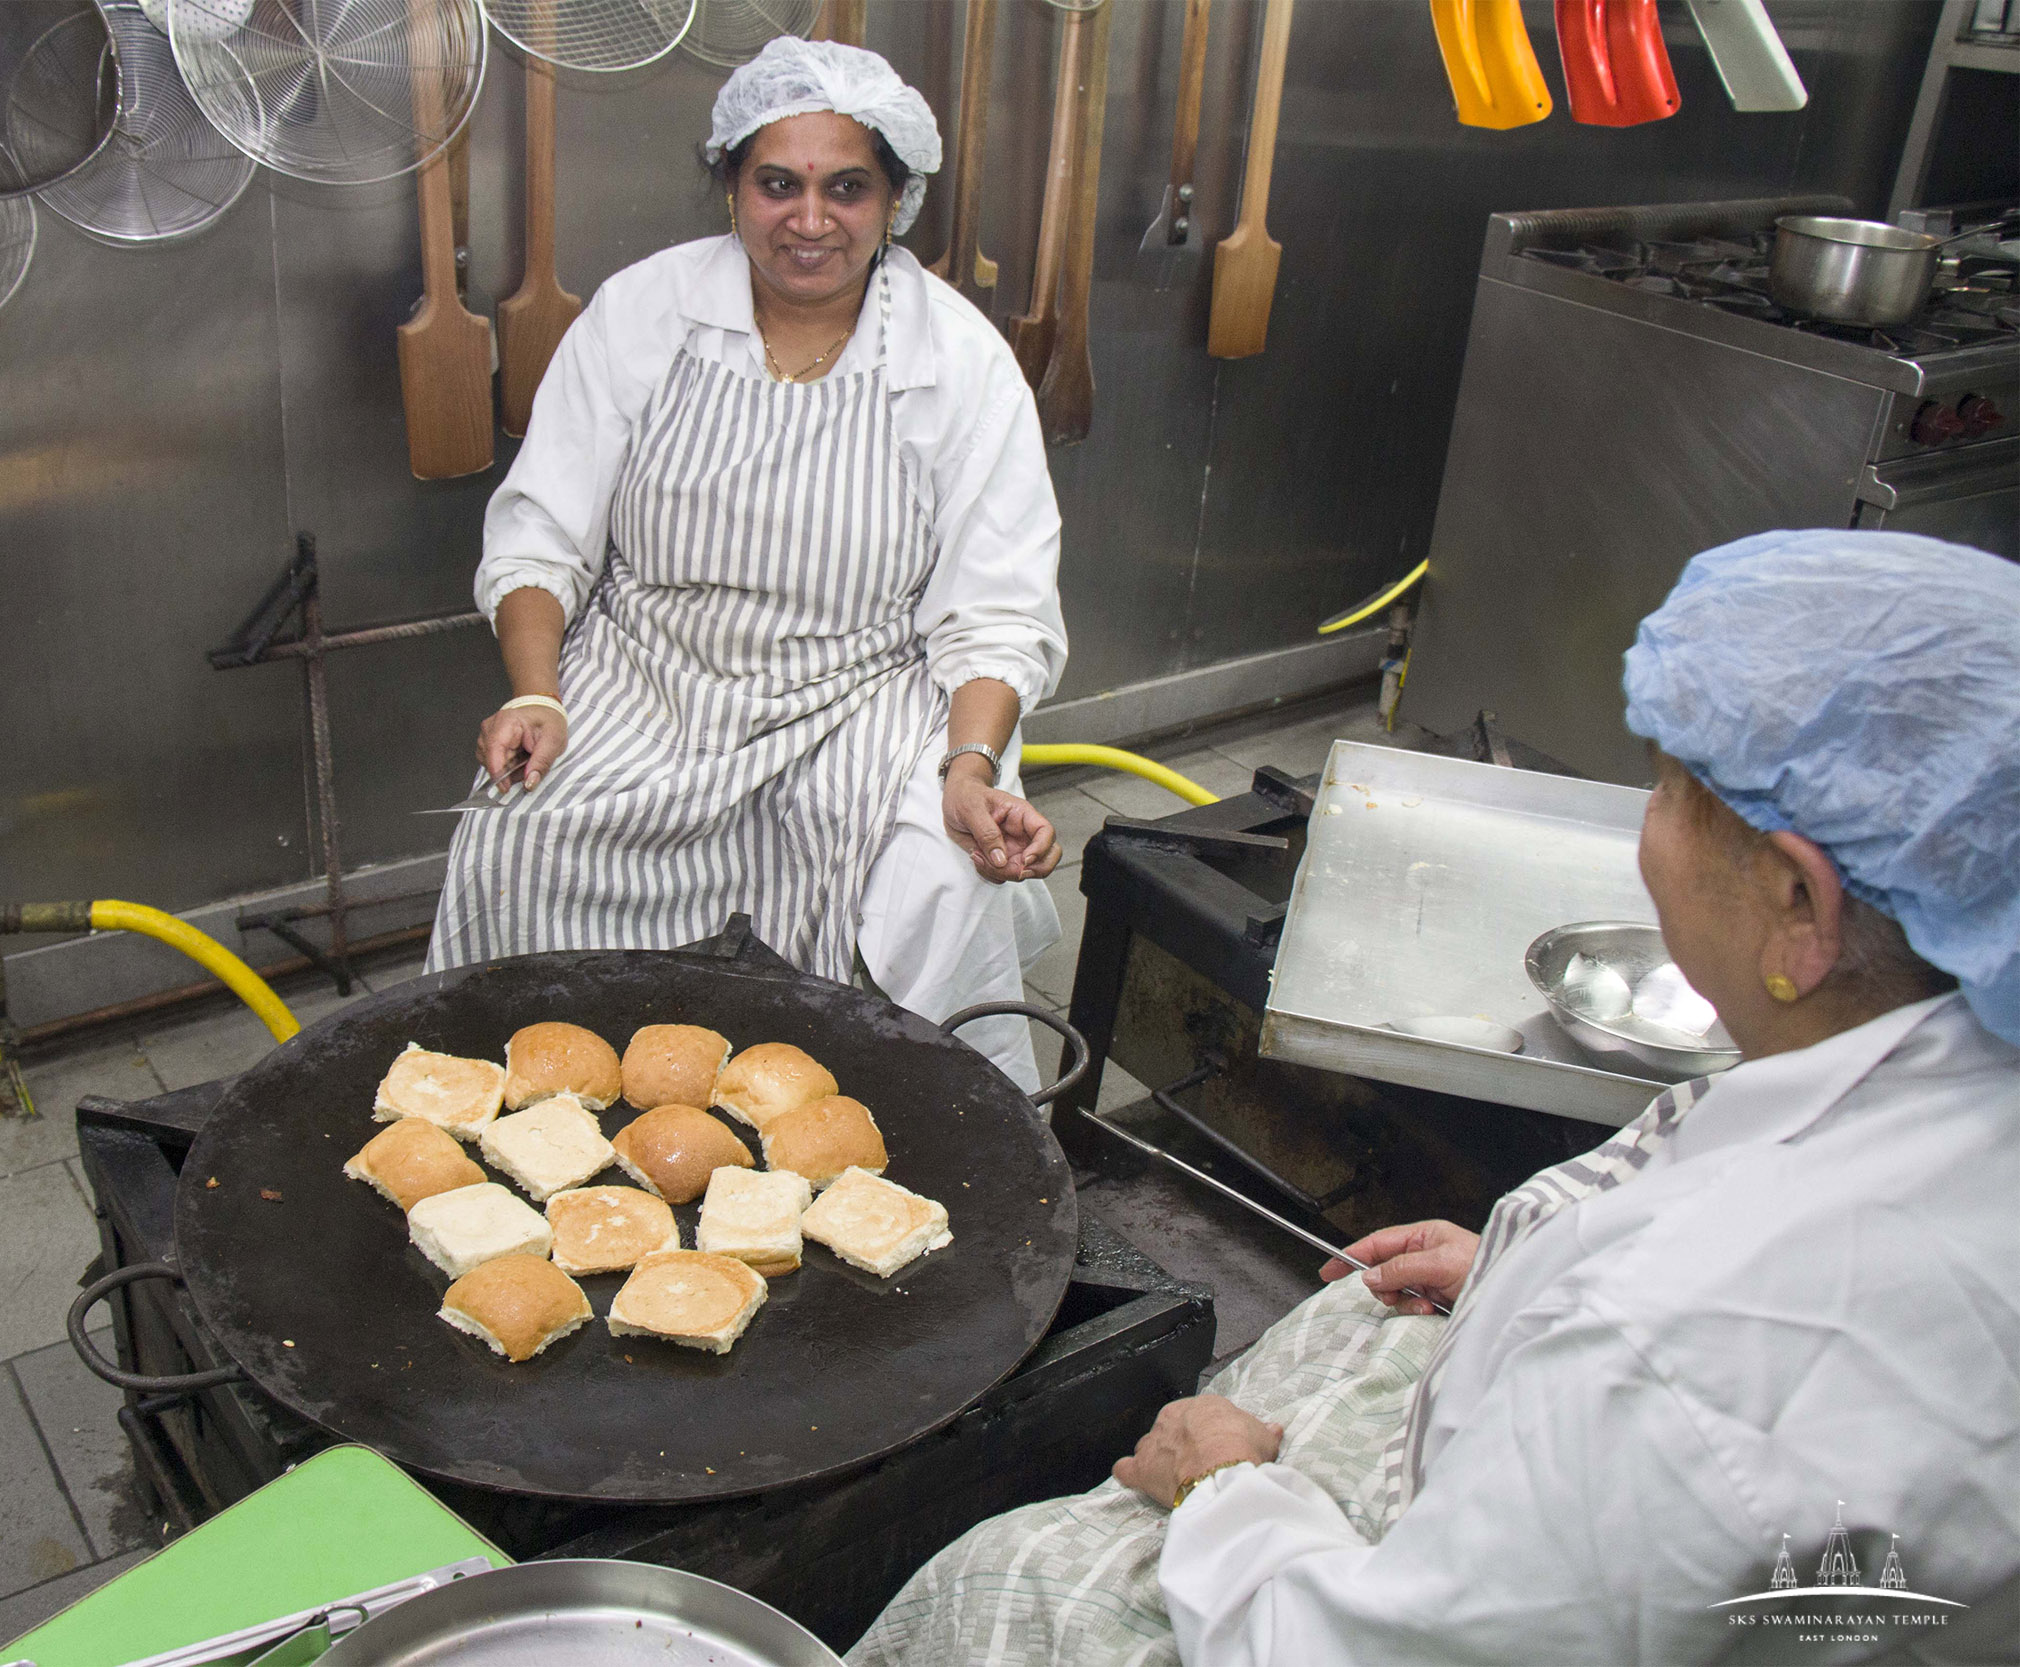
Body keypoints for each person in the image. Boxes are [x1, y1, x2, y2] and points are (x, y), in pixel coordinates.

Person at [847, 528, 2020, 1665]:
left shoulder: (1677, 1358)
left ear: (1801, 909)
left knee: (997, 1581)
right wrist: (1526, 1261)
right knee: (1356, 1311)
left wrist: (1221, 1489)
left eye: (1666, 787)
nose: (1642, 825)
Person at [425, 37, 1067, 1088]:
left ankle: (895, 1122)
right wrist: (537, 692)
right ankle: (539, 1104)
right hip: (653, 672)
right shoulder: (643, 315)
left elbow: (996, 607)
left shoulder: (958, 362)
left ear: (896, 201)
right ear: (730, 183)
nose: (809, 221)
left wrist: (969, 767)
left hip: (861, 689)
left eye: (846, 188)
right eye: (778, 183)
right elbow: (542, 532)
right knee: (517, 836)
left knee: (937, 882)